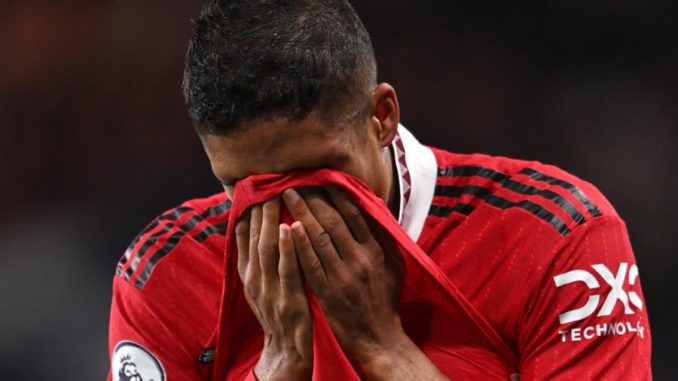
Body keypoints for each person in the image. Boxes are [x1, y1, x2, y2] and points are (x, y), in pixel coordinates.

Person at [107, 0, 652, 380]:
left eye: (315, 175)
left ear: (381, 117)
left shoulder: (553, 236)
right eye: (243, 187)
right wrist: (278, 368)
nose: (287, 219)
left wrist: (382, 348)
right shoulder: (166, 272)